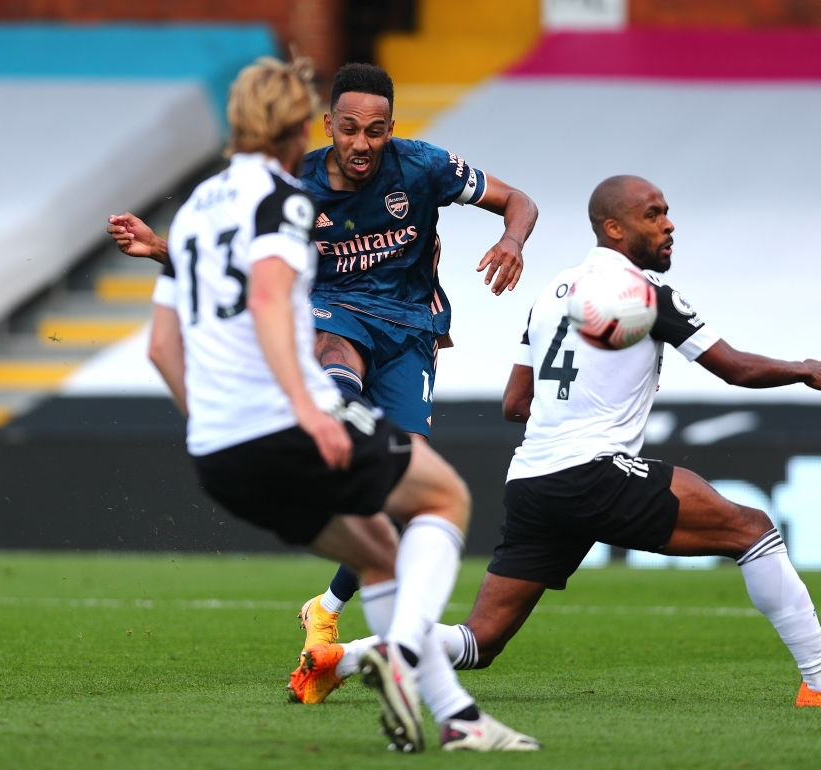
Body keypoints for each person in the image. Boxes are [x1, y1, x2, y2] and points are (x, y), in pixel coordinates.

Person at [288, 174, 821, 711]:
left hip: (533, 480)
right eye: (653, 215)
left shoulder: (552, 293)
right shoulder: (643, 296)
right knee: (754, 530)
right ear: (614, 228)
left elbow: (514, 404)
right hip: (592, 472)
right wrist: (803, 368)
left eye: (666, 212)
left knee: (480, 642)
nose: (668, 227)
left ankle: (337, 661)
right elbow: (734, 368)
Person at [147, 54, 541, 752]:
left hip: (386, 347)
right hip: (329, 336)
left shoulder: (198, 209)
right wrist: (306, 407)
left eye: (376, 131)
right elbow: (270, 298)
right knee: (439, 496)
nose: (360, 145)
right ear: (313, 126)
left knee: (386, 533)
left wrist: (511, 239)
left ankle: (440, 707)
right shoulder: (290, 195)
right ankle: (403, 658)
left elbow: (162, 345)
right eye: (346, 130)